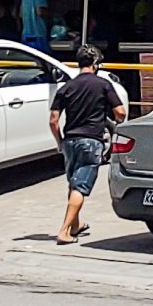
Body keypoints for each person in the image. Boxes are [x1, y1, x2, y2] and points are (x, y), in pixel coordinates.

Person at [47, 46, 124, 245]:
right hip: (91, 141)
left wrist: (60, 142)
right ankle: (64, 232)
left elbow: (53, 120)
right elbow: (121, 113)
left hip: (70, 141)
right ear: (95, 64)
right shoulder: (103, 84)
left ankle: (75, 225)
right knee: (81, 186)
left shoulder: (66, 87)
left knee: (74, 183)